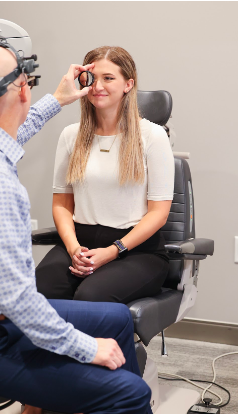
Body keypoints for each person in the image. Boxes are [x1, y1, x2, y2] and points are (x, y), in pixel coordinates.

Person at [0, 44, 153, 414]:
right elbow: (18, 302)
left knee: (114, 319)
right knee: (130, 391)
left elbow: (7, 135)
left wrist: (56, 100)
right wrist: (88, 348)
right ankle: (117, 398)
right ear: (22, 89)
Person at [35, 46, 175, 305]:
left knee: (91, 297)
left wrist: (113, 251)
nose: (98, 86)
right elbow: (62, 204)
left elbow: (159, 213)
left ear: (128, 84)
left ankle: (104, 347)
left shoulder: (153, 136)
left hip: (135, 251)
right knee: (37, 292)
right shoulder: (70, 135)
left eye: (108, 78)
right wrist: (74, 248)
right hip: (80, 245)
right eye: (91, 78)